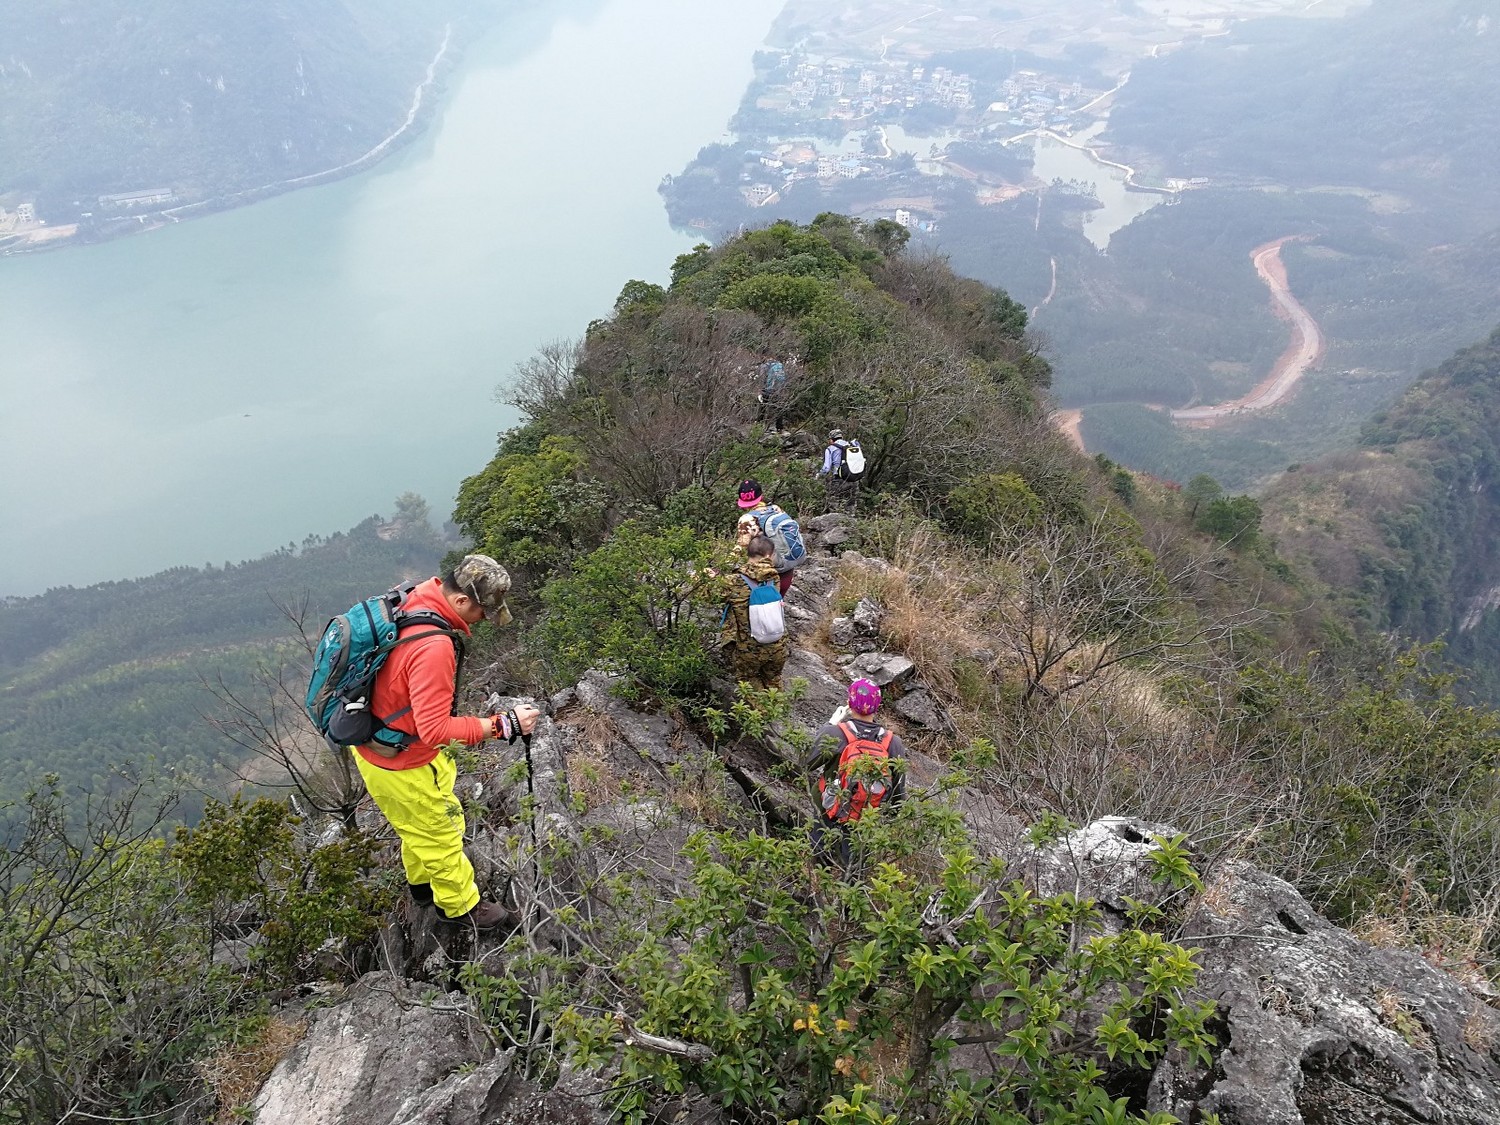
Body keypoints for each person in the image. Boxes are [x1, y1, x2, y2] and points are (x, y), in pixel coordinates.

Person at [352, 554, 541, 932]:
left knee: (417, 825)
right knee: (439, 834)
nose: (485, 620)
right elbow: (435, 729)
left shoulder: (416, 596)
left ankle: (421, 886)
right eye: (483, 612)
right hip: (402, 762)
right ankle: (461, 908)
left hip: (382, 746)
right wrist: (504, 724)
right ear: (460, 601)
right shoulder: (434, 646)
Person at [803, 679, 907, 867]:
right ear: (877, 706)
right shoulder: (893, 742)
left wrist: (829, 725)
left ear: (850, 703)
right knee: (853, 869)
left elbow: (806, 763)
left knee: (817, 861)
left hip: (829, 809)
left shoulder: (836, 733)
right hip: (865, 816)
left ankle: (816, 877)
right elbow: (898, 793)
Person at [716, 534, 788, 690]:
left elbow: (707, 594)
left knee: (747, 680)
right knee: (774, 680)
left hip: (749, 648)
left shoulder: (733, 581)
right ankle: (776, 711)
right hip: (778, 645)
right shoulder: (774, 578)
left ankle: (760, 713)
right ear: (769, 555)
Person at [736, 478, 798, 596]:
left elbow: (740, 549)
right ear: (761, 496)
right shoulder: (776, 509)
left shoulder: (746, 519)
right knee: (775, 607)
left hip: (767, 576)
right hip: (787, 570)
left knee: (761, 610)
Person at [815, 429, 857, 513]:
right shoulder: (852, 446)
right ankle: (850, 522)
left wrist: (819, 475)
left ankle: (836, 522)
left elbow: (826, 467)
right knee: (850, 505)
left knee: (834, 502)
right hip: (853, 478)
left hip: (838, 479)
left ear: (832, 439)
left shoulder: (831, 448)